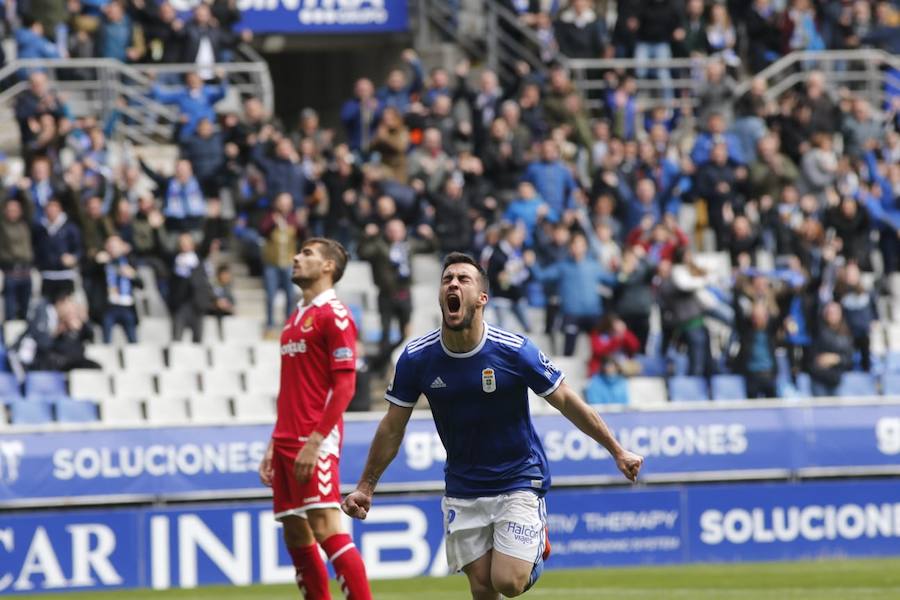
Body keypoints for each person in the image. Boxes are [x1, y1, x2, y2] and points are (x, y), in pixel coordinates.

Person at [342, 252, 643, 599]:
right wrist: (366, 486)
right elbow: (393, 426)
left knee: (508, 582)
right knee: (482, 588)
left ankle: (535, 544)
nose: (453, 283)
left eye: (463, 279)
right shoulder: (416, 358)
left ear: (482, 298)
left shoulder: (514, 351)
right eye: (447, 279)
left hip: (518, 478)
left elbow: (567, 401)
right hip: (463, 486)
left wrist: (617, 451)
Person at [257, 238, 372, 600]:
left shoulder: (335, 315)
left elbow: (345, 387)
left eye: (307, 253)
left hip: (314, 441)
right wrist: (274, 442)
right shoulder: (296, 317)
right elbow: (290, 388)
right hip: (287, 438)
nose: (295, 257)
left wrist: (315, 440)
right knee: (295, 533)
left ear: (327, 267)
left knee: (325, 527)